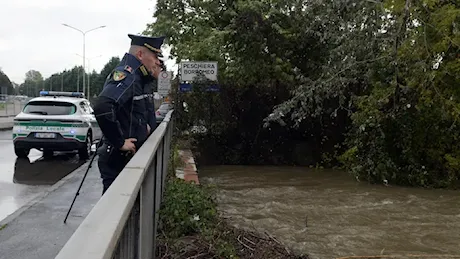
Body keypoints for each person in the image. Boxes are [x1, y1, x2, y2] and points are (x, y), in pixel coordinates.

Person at [93, 33, 165, 194]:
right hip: (119, 159)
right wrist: (119, 142)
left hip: (129, 158)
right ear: (140, 54)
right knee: (114, 212)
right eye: (155, 56)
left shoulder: (141, 78)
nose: (157, 61)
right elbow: (103, 106)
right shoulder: (128, 75)